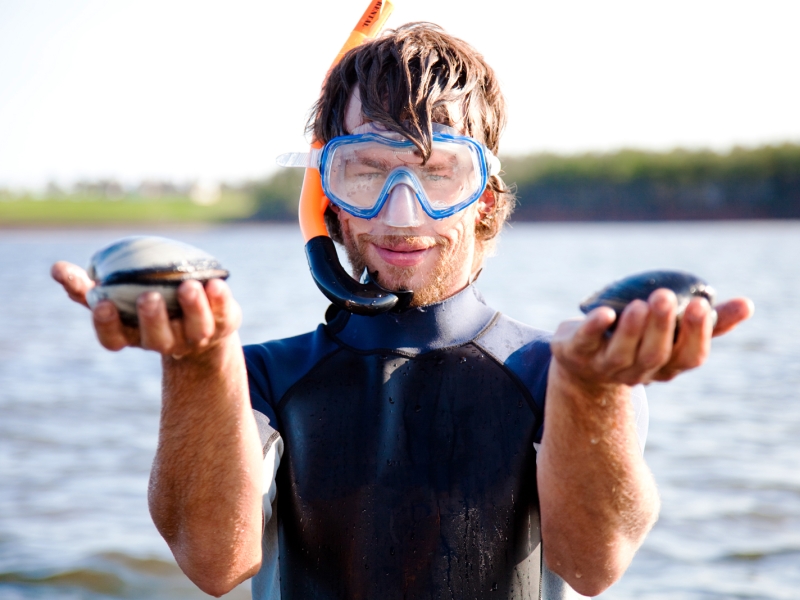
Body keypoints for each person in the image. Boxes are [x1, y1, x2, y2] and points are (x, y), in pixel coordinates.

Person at [52, 23, 753, 600]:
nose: (400, 210)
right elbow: (212, 562)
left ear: (484, 193)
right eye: (366, 169)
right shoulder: (255, 377)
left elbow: (596, 564)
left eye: (436, 170)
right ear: (327, 193)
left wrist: (594, 392)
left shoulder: (562, 371)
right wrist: (198, 363)